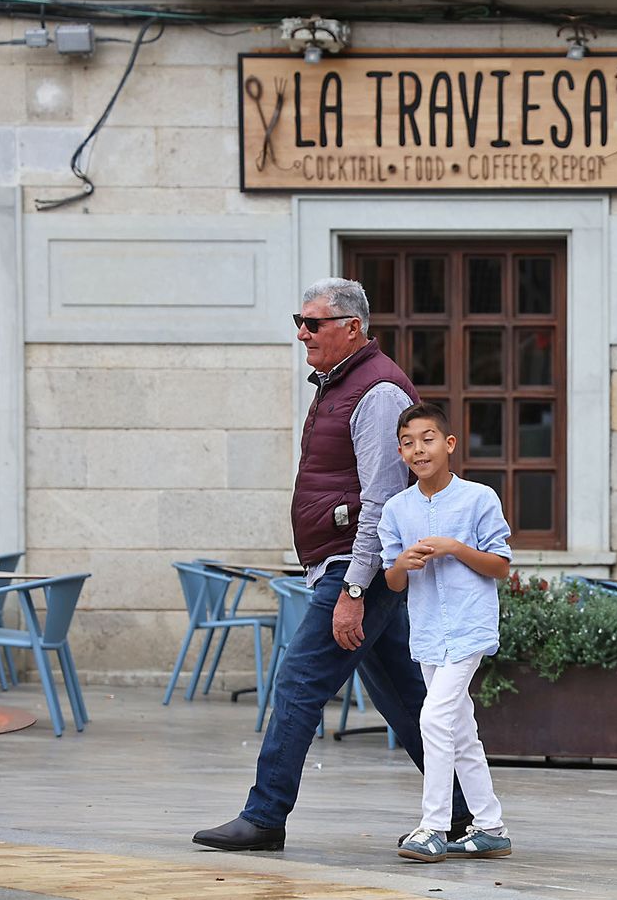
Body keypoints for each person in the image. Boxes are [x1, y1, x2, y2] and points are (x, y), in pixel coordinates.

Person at [193, 278, 470, 852]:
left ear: (352, 328)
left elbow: (382, 499)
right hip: (353, 567)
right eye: (299, 321)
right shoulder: (342, 385)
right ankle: (467, 817)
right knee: (407, 699)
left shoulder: (377, 393)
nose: (302, 332)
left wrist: (353, 587)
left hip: (357, 567)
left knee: (297, 684)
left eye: (313, 323)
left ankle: (265, 815)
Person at [383, 402, 514, 863]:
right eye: (407, 443)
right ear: (401, 452)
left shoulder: (479, 499)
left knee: (434, 718)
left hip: (468, 627)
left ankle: (434, 826)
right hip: (427, 633)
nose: (418, 449)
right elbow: (393, 580)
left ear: (449, 444)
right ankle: (490, 824)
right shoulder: (397, 509)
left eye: (427, 439)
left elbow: (500, 565)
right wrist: (401, 564)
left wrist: (456, 549)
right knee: (460, 728)